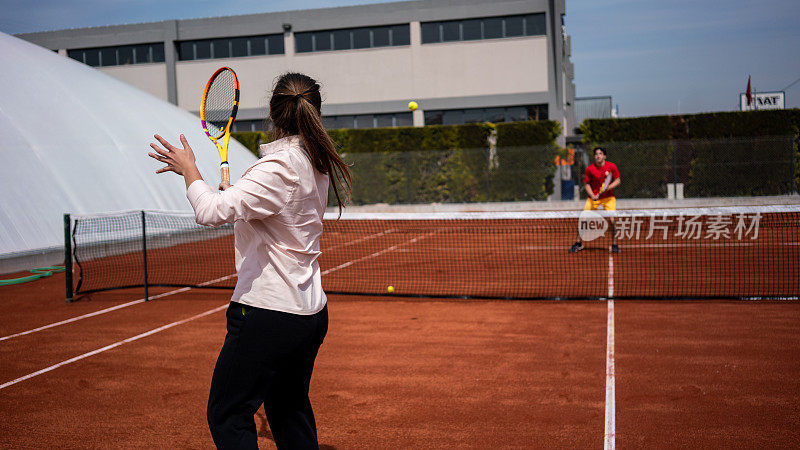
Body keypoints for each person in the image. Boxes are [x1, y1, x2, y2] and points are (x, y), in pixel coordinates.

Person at [148, 72, 351, 449]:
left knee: (227, 412)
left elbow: (209, 211)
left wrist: (189, 169)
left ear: (273, 115)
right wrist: (237, 197)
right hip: (308, 315)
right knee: (289, 410)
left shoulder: (276, 168)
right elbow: (270, 211)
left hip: (267, 314)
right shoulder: (314, 164)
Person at [569, 146, 621, 253]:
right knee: (583, 219)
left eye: (600, 154)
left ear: (604, 156)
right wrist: (592, 195)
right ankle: (578, 243)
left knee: (612, 220)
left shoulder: (611, 166)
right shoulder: (590, 169)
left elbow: (617, 180)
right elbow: (587, 184)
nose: (598, 156)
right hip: (593, 198)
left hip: (608, 198)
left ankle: (615, 244)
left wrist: (608, 188)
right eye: (596, 154)